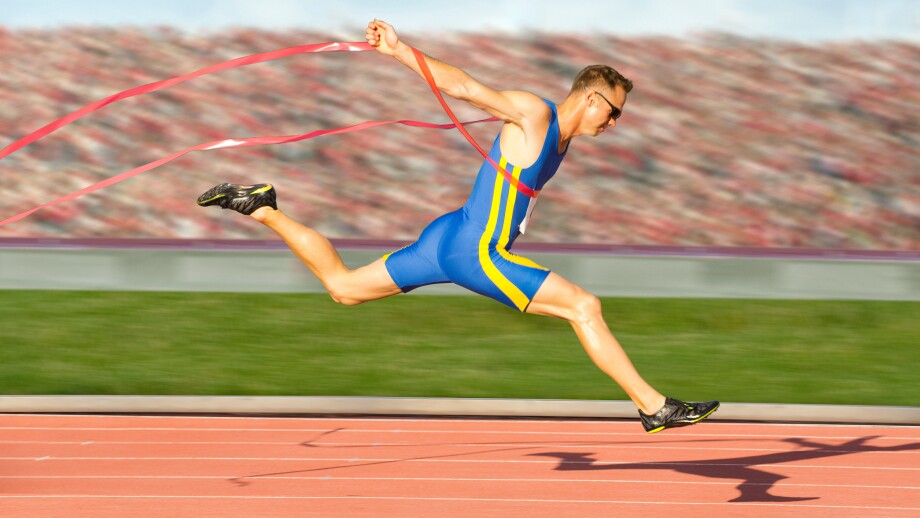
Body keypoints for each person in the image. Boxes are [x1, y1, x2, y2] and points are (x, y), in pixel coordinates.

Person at [197, 19, 718, 433]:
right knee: (585, 307)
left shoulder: (561, 140)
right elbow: (466, 87)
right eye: (615, 113)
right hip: (473, 250)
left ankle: (262, 206)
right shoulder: (535, 115)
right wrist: (399, 50)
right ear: (590, 97)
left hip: (447, 236)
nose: (614, 123)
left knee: (343, 287)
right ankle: (652, 407)